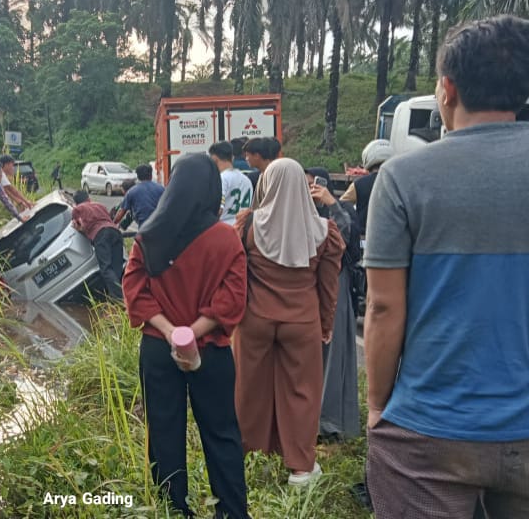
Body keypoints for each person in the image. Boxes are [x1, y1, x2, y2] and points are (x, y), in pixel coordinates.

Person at [364, 14, 529, 519]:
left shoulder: (402, 178)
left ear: (447, 89)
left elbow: (385, 308)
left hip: (428, 431)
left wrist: (377, 407)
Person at [123, 153, 249, 519]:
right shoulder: (225, 239)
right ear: (212, 190)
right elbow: (233, 296)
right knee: (222, 433)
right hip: (211, 351)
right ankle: (231, 512)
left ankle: (174, 509)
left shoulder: (148, 236)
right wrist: (193, 333)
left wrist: (170, 330)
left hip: (159, 350)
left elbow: (133, 287)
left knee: (163, 430)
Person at [233, 158, 344, 486]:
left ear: (265, 184)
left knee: (249, 389)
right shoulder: (324, 231)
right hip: (302, 321)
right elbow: (328, 287)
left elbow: (238, 277)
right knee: (302, 391)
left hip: (255, 320)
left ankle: (250, 455)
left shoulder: (249, 224)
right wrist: (325, 325)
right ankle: (300, 467)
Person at [305, 167, 362, 442]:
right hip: (307, 291)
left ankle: (330, 422)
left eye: (311, 184)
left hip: (335, 287)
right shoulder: (298, 211)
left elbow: (345, 240)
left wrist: (331, 203)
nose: (309, 190)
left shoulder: (341, 211)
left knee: (334, 353)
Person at [71, 191, 124, 300]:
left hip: (100, 235)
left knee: (106, 268)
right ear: (88, 198)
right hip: (115, 232)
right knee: (116, 267)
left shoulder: (77, 209)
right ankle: (123, 296)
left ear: (76, 202)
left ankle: (120, 299)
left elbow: (78, 226)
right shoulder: (100, 205)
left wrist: (80, 229)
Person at [340, 139, 392, 236]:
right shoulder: (398, 183)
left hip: (365, 236)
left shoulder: (359, 184)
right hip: (393, 237)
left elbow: (342, 206)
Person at [210, 141, 254, 226]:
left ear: (214, 159)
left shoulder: (221, 179)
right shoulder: (246, 179)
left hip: (225, 228)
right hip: (243, 227)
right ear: (232, 158)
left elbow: (219, 209)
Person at [242, 137, 281, 207]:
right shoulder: (262, 175)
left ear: (256, 156)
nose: (246, 159)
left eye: (247, 155)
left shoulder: (276, 174)